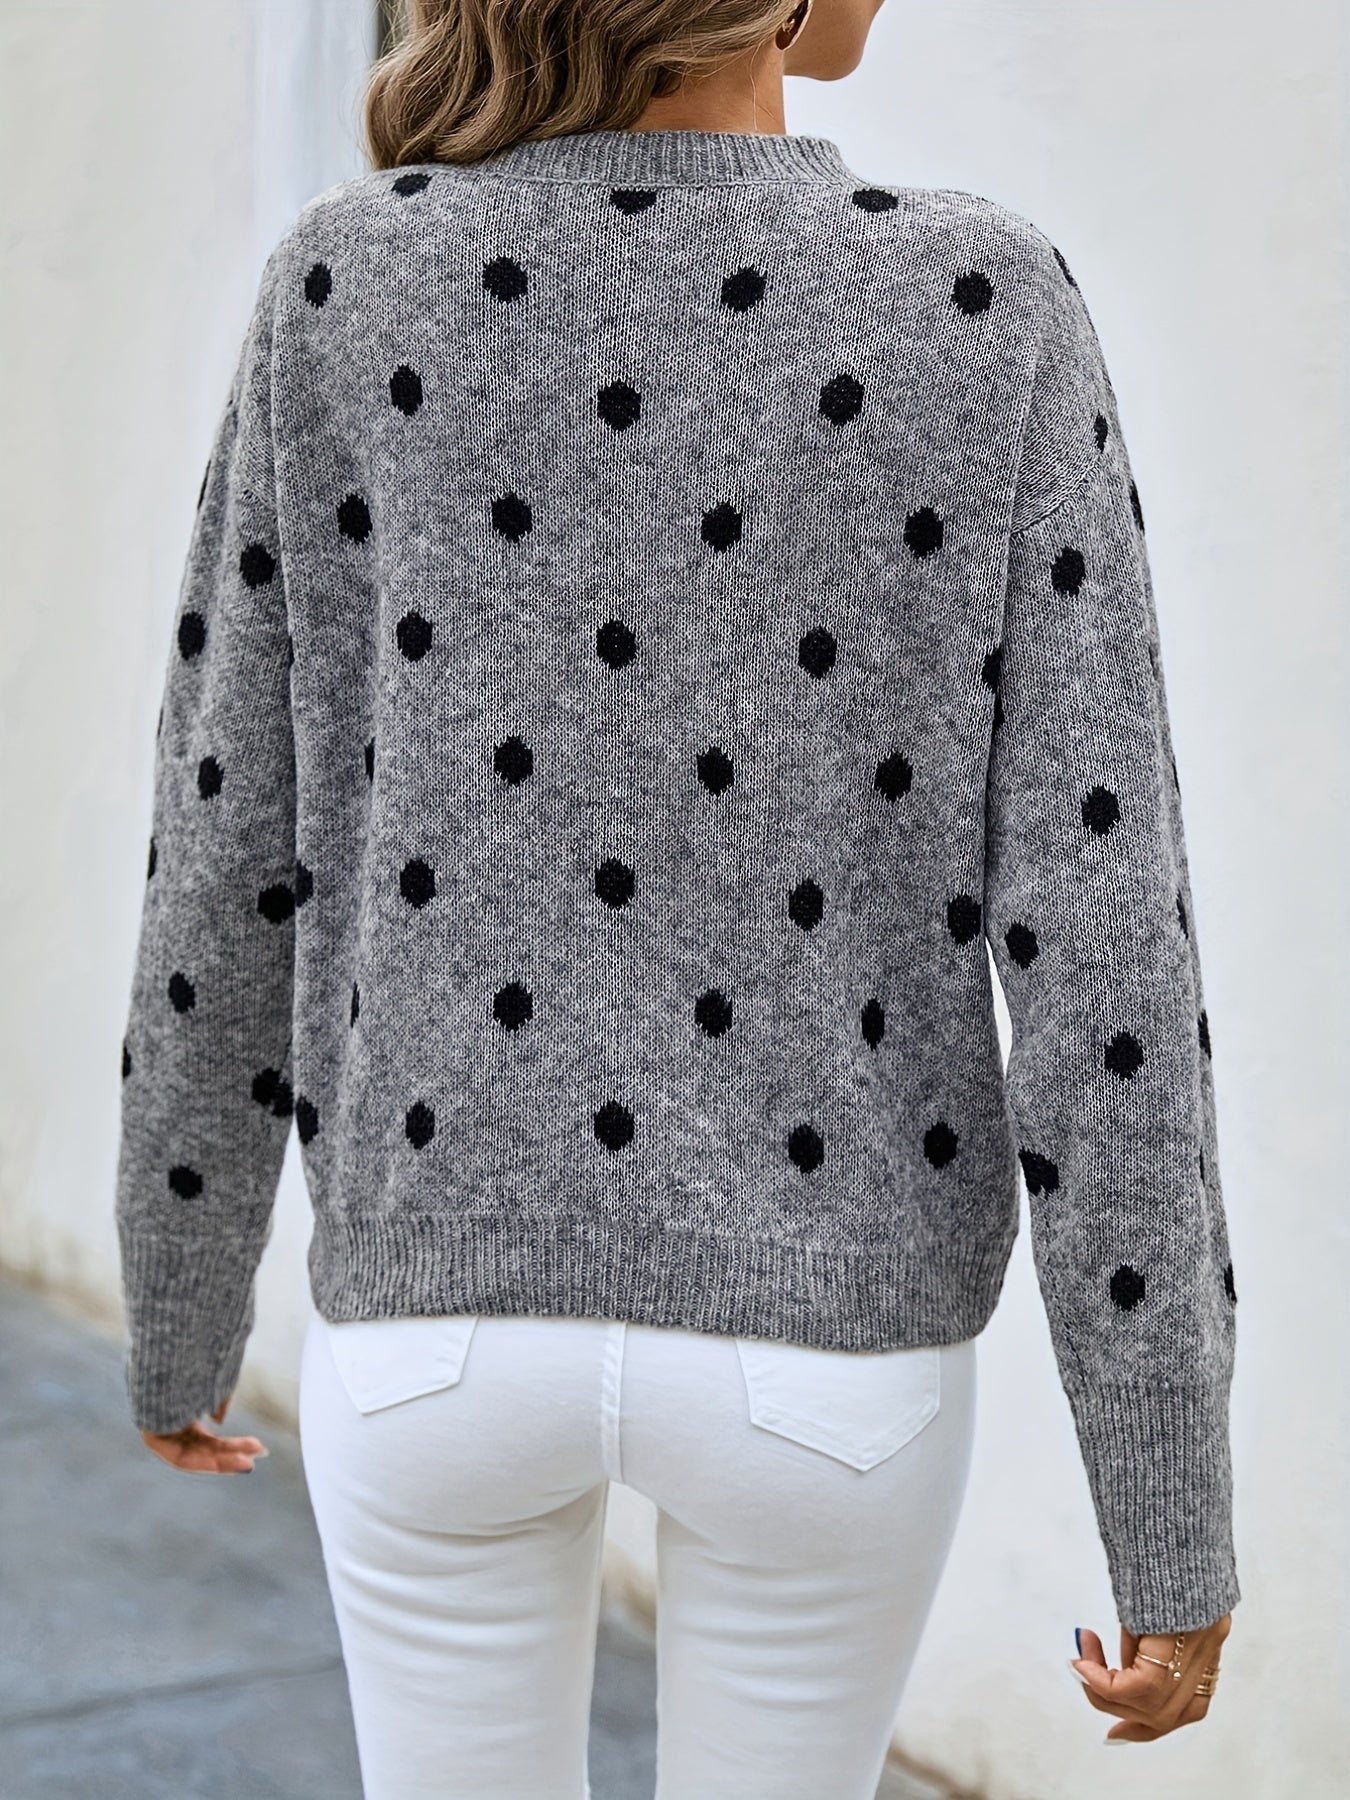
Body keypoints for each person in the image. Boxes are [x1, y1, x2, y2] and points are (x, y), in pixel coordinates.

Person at [113, 0, 1239, 1792]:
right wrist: (1168, 1505)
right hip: (827, 1356)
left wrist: (181, 1304)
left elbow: (229, 828)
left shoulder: (347, 280)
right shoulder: (980, 301)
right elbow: (1101, 923)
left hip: (439, 1322)